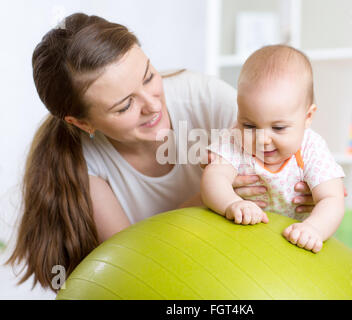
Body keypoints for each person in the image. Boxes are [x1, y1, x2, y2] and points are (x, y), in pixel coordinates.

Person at [6, 13, 315, 291]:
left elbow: (294, 156)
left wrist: (305, 190)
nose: (152, 105)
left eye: (149, 77)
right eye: (125, 105)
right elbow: (131, 261)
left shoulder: (207, 101)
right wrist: (211, 196)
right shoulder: (84, 162)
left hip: (244, 277)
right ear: (82, 122)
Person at [201, 45, 346, 253]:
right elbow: (213, 178)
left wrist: (313, 228)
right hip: (240, 240)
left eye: (278, 128)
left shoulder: (312, 148)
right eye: (249, 125)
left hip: (295, 244)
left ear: (308, 117)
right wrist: (232, 204)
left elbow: (332, 199)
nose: (262, 139)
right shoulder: (233, 139)